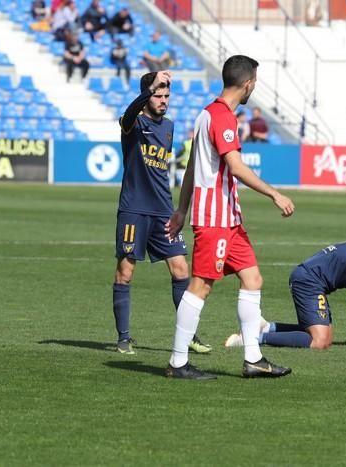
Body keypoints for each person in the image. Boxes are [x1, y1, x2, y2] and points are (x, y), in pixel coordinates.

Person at [164, 55, 295, 380]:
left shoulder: (207, 114)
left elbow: (193, 167)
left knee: (253, 279)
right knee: (200, 286)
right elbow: (235, 167)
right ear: (248, 83)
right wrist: (274, 194)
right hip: (214, 220)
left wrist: (181, 209)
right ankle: (178, 362)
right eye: (255, 83)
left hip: (230, 220)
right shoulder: (221, 117)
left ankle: (253, 359)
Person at [112, 70, 210, 356]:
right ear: (146, 96)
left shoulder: (168, 126)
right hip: (134, 210)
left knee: (181, 270)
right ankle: (124, 337)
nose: (164, 100)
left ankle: (189, 335)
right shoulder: (132, 123)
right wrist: (148, 90)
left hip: (164, 212)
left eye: (167, 96)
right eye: (158, 95)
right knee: (125, 272)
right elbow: (128, 115)